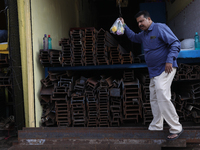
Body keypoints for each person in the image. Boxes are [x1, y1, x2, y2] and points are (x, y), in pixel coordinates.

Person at [120, 11, 183, 140]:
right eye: (138, 22)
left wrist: (169, 60)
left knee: (161, 94)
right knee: (154, 97)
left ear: (149, 19)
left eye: (141, 21)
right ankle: (157, 125)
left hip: (165, 68)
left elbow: (175, 43)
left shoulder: (160, 28)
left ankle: (176, 127)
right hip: (154, 71)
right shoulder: (144, 34)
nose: (139, 24)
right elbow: (133, 37)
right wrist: (124, 25)